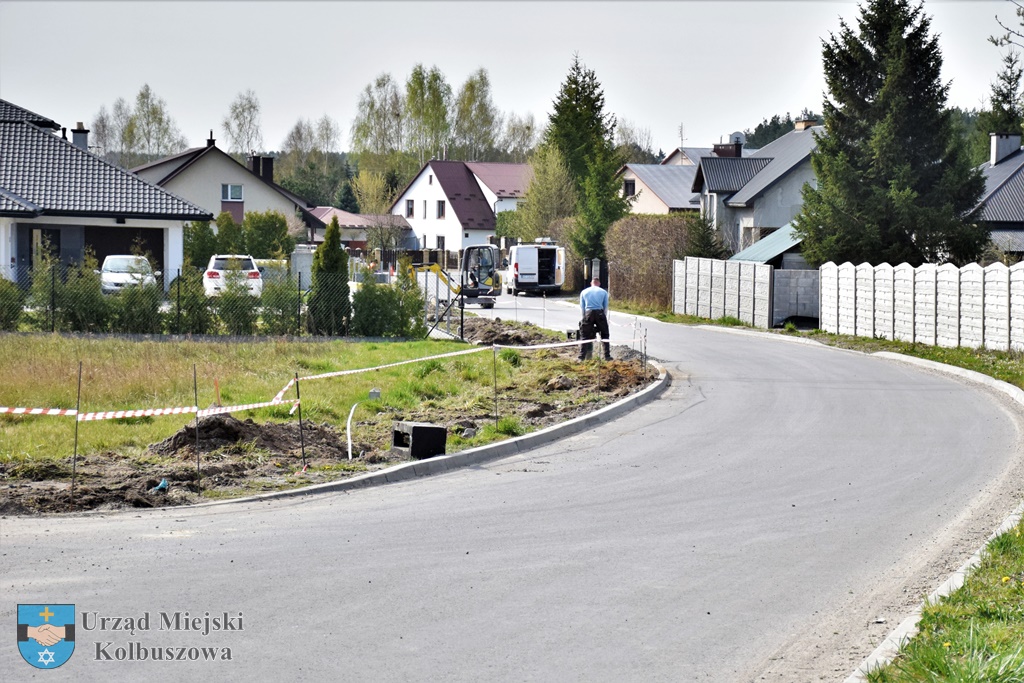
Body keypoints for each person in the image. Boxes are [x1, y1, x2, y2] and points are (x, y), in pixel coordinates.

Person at [578, 277, 611, 361]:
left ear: (591, 283)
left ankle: (581, 357)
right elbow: (605, 307)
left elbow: (582, 307)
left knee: (584, 335)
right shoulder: (603, 292)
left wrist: (583, 318)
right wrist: (604, 318)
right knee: (605, 334)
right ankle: (607, 356)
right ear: (599, 283)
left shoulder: (584, 292)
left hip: (588, 313)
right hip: (599, 313)